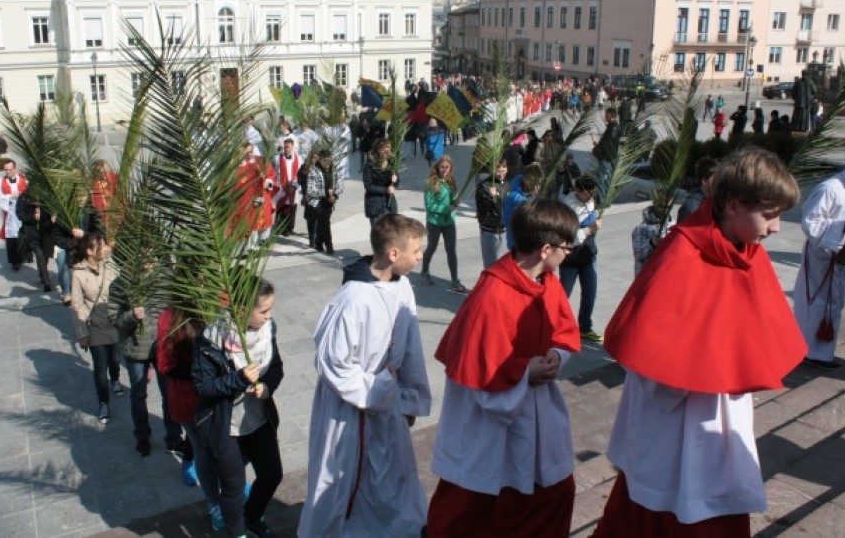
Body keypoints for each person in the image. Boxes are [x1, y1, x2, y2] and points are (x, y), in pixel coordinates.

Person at [593, 147, 806, 538]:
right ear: (734, 206)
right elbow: (652, 361)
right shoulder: (682, 254)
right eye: (771, 215)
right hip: (675, 423)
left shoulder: (748, 249)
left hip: (720, 414)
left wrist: (731, 366)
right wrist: (702, 369)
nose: (776, 228)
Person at [427, 198, 581, 538]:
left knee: (552, 491)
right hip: (492, 421)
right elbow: (481, 373)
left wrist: (557, 354)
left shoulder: (548, 280)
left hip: (535, 411)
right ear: (545, 249)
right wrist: (527, 371)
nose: (569, 254)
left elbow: (564, 331)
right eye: (566, 247)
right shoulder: (493, 295)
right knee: (479, 507)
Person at [298, 214, 431, 537]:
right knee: (344, 478)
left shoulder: (402, 287)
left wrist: (409, 398)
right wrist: (382, 389)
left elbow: (410, 344)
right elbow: (333, 362)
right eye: (417, 251)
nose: (421, 256)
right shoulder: (353, 299)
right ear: (393, 254)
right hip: (351, 406)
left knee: (390, 475)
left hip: (386, 400)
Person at [193, 279, 285, 538]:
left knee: (272, 474)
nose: (269, 317)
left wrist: (266, 387)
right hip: (225, 425)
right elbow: (204, 386)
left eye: (270, 309)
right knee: (233, 489)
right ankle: (238, 533)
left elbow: (276, 367)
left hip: (258, 419)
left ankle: (252, 517)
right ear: (242, 310)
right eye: (263, 311)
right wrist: (239, 379)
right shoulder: (210, 339)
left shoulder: (267, 332)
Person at [793, 142, 845, 369]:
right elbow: (809, 223)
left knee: (834, 302)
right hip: (821, 254)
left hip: (838, 252)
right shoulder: (830, 188)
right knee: (817, 303)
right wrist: (842, 225)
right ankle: (810, 351)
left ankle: (822, 352)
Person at [109, 277, 190, 468]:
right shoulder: (120, 283)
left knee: (168, 393)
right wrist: (131, 316)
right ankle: (142, 436)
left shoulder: (164, 277)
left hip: (162, 345)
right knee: (138, 394)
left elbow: (174, 309)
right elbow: (114, 319)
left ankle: (174, 437)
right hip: (136, 349)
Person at [157, 304, 224, 530]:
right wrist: (203, 371)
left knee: (227, 447)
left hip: (222, 397)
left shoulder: (218, 301)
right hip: (190, 401)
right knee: (202, 452)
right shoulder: (171, 316)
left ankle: (233, 490)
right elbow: (165, 363)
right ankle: (214, 503)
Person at [70, 232, 124, 424]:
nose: (104, 248)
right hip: (95, 327)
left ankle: (116, 379)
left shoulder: (110, 265)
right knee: (100, 367)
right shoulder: (78, 273)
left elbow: (122, 287)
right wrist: (82, 332)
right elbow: (77, 305)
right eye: (100, 246)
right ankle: (103, 402)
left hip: (114, 323)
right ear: (89, 251)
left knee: (115, 359)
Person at [559, 175, 602, 342]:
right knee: (563, 294)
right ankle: (555, 325)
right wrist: (589, 229)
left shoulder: (592, 200)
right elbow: (567, 236)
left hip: (588, 255)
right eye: (586, 193)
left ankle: (585, 327)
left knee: (590, 293)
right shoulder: (567, 206)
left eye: (592, 193)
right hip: (570, 259)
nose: (590, 196)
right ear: (577, 190)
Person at [419, 155, 466, 293]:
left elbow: (453, 199)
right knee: (432, 247)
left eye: (447, 167)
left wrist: (456, 200)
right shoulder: (431, 182)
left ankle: (454, 280)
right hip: (434, 221)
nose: (444, 170)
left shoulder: (451, 181)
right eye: (442, 167)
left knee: (451, 250)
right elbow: (429, 205)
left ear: (450, 168)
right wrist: (446, 209)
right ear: (437, 167)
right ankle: (424, 271)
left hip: (449, 221)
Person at [0, 160, 28, 271]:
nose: (8, 172)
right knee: (11, 237)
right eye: (6, 170)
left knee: (24, 234)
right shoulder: (0, 182)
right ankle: (14, 261)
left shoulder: (24, 180)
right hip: (9, 212)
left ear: (15, 169)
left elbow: (31, 193)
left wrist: (21, 196)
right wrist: (9, 197)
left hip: (23, 211)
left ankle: (25, 255)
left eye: (10, 169)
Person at [16, 190, 55, 291]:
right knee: (39, 253)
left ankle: (43, 274)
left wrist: (48, 217)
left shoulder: (45, 195)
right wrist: (33, 217)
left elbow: (51, 212)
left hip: (45, 230)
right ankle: (46, 282)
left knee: (45, 254)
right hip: (31, 230)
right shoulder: (23, 197)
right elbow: (20, 214)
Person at [475, 158, 511, 268]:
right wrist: (492, 197)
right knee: (491, 265)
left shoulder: (508, 185)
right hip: (490, 230)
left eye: (503, 171)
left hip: (504, 230)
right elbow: (482, 208)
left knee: (503, 265)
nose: (501, 174)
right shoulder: (484, 186)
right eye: (498, 171)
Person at [306, 149, 341, 254]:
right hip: (318, 202)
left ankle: (318, 243)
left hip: (329, 201)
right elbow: (310, 190)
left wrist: (335, 195)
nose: (327, 163)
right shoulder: (313, 171)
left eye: (329, 161)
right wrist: (325, 193)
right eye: (325, 161)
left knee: (323, 223)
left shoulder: (332, 170)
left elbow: (339, 185)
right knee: (325, 223)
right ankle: (329, 245)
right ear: (320, 160)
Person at [503, 163, 543, 250]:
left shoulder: (532, 192)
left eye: (538, 183)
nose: (537, 187)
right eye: (535, 183)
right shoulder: (514, 197)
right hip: (518, 244)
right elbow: (506, 221)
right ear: (528, 179)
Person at [362, 138, 399, 227]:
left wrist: (395, 179)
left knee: (391, 234)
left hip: (389, 204)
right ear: (378, 150)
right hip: (375, 204)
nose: (387, 152)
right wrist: (386, 189)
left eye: (388, 149)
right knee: (378, 234)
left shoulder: (392, 163)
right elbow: (368, 186)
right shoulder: (370, 165)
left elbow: (396, 183)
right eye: (383, 149)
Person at [631, 203, 673, 275]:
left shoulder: (673, 224)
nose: (666, 210)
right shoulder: (642, 228)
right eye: (662, 206)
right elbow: (638, 254)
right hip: (647, 276)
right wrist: (652, 244)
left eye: (668, 207)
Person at [273, 137, 303, 236]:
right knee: (281, 207)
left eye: (288, 147)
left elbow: (300, 173)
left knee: (292, 208)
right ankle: (280, 228)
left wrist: (294, 185)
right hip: (281, 187)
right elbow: (274, 172)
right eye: (285, 147)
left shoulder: (298, 158)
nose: (287, 149)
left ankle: (290, 228)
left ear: (293, 147)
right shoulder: (278, 158)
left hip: (294, 187)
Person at [677, 157, 718, 224]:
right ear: (704, 181)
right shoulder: (691, 208)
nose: (720, 182)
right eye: (716, 178)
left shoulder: (714, 203)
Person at [592, 108, 620, 186]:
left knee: (602, 182)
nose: (604, 117)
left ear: (609, 115)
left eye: (605, 114)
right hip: (607, 157)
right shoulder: (612, 126)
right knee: (601, 179)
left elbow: (607, 142)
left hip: (606, 158)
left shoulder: (613, 127)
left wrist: (596, 150)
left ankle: (601, 198)